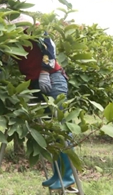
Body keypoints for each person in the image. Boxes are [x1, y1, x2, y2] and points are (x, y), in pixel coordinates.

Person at [9, 14, 75, 190]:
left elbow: (49, 49)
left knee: (59, 127)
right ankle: (57, 174)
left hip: (52, 80)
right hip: (33, 83)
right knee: (48, 131)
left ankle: (68, 175)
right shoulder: (10, 40)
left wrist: (45, 71)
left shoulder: (36, 31)